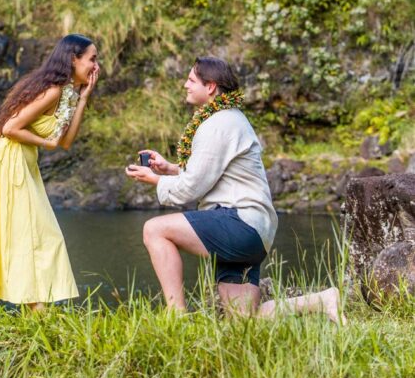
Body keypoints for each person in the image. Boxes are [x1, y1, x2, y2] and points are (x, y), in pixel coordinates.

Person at [126, 56, 343, 323]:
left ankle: (176, 316)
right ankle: (322, 300)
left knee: (154, 229)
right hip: (255, 232)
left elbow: (191, 189)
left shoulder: (218, 123)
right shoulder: (229, 119)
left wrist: (156, 180)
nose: (185, 85)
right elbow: (210, 173)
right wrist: (169, 169)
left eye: (191, 80)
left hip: (239, 223)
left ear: (211, 87)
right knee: (243, 321)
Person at [0, 33, 99, 308]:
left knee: (35, 235)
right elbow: (9, 128)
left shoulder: (68, 94)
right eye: (92, 59)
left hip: (25, 163)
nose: (96, 66)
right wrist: (44, 142)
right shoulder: (52, 91)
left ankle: (35, 308)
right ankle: (36, 309)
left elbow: (66, 141)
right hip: (10, 162)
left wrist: (84, 98)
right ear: (73, 59)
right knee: (37, 234)